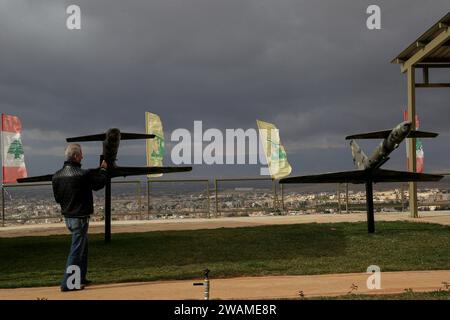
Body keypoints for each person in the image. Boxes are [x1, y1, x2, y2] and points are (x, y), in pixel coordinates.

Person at [52, 143, 108, 292]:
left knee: (82, 248)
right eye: (81, 154)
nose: (82, 156)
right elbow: (98, 184)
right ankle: (68, 284)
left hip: (68, 217)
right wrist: (103, 170)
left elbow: (58, 198)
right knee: (76, 250)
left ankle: (80, 278)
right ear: (76, 156)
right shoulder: (83, 174)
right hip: (80, 217)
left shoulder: (56, 176)